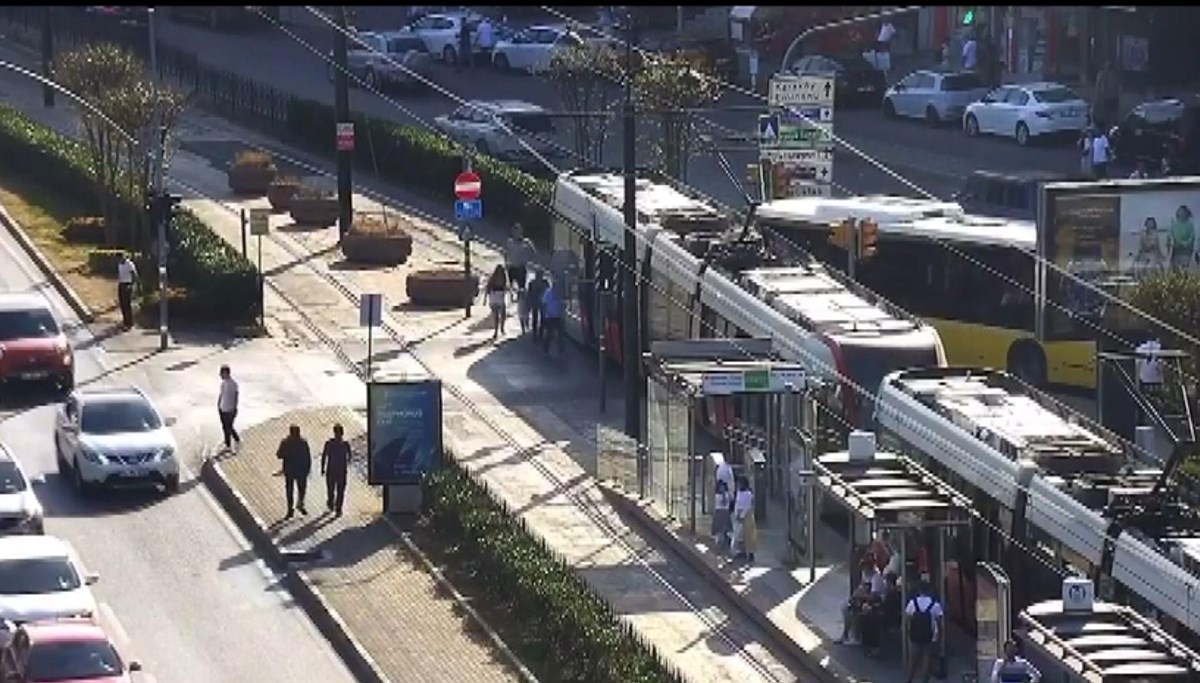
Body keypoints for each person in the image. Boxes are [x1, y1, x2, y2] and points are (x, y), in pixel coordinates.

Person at [903, 580, 943, 683]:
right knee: (927, 659)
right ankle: (924, 681)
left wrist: (908, 632)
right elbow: (939, 623)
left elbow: (907, 620)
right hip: (929, 636)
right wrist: (939, 637)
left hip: (915, 635)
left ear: (919, 590)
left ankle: (908, 680)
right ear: (929, 590)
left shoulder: (912, 603)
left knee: (912, 660)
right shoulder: (935, 605)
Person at [277, 424, 312, 518]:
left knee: (290, 490)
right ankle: (298, 505)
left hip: (290, 470)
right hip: (299, 470)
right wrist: (308, 468)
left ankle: (291, 509)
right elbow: (307, 457)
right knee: (300, 489)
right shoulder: (302, 442)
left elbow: (279, 455)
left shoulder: (286, 442)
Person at [321, 423, 352, 517]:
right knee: (340, 490)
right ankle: (338, 509)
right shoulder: (345, 444)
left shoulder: (329, 443)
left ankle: (331, 503)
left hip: (331, 470)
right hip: (341, 471)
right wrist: (347, 463)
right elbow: (350, 456)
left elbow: (324, 456)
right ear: (342, 433)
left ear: (334, 432)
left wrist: (322, 468)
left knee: (331, 489)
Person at [504, 223, 535, 302]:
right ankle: (511, 299)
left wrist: (528, 259)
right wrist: (506, 262)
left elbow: (533, 252)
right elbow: (506, 253)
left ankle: (520, 300)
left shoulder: (526, 242)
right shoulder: (509, 242)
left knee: (521, 287)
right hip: (512, 267)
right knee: (510, 285)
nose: (516, 233)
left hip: (521, 267)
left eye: (518, 231)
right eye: (514, 231)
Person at [731, 477, 757, 562]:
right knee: (739, 536)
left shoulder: (748, 494)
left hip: (746, 517)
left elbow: (747, 506)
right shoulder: (739, 493)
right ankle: (740, 552)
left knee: (748, 536)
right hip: (739, 516)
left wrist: (741, 515)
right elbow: (737, 504)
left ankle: (750, 554)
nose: (738, 485)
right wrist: (736, 514)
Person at [217, 365, 240, 452]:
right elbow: (221, 394)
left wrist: (234, 408)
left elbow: (236, 396)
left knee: (228, 427)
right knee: (225, 427)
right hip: (222, 408)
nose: (220, 375)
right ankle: (230, 442)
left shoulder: (233, 384)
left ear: (226, 373)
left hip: (230, 409)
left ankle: (233, 442)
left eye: (221, 373)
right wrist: (218, 404)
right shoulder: (223, 384)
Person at [483, 264, 508, 341]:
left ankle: (500, 329)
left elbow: (506, 287)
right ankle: (497, 331)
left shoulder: (503, 278)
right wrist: (485, 299)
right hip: (495, 297)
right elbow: (487, 288)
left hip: (497, 297)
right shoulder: (494, 279)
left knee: (502, 315)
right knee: (497, 316)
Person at [1167, 204, 1196, 271]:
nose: (1181, 214)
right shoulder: (1174, 223)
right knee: (1175, 268)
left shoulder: (1189, 224)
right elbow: (1170, 234)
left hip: (1186, 250)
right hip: (1176, 249)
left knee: (1185, 267)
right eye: (1180, 212)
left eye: (1183, 212)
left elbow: (1192, 237)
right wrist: (1173, 241)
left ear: (1186, 214)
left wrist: (1184, 243)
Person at [541, 277, 565, 354]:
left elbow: (562, 303)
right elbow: (544, 304)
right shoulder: (548, 292)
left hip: (558, 316)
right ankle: (545, 348)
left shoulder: (560, 293)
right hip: (549, 316)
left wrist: (562, 313)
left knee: (560, 334)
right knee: (549, 334)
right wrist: (545, 314)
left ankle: (561, 349)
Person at [1094, 61, 1120, 130]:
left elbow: (1099, 87)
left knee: (1107, 113)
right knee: (1111, 113)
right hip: (1112, 97)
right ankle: (1111, 125)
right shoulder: (1114, 75)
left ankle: (1108, 126)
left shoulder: (1103, 75)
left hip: (1108, 97)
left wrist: (1099, 96)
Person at [116, 252, 139, 329]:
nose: (119, 261)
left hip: (127, 284)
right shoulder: (119, 264)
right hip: (121, 284)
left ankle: (129, 323)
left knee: (127, 304)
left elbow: (134, 274)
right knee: (122, 304)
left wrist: (132, 285)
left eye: (120, 259)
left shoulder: (129, 264)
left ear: (123, 257)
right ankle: (125, 321)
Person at [527, 268, 549, 340]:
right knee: (540, 318)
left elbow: (529, 294)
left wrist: (529, 304)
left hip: (537, 302)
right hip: (541, 302)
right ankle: (539, 333)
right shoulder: (545, 283)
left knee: (536, 318)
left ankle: (536, 334)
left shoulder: (532, 283)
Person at [711, 479, 732, 552]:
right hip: (719, 512)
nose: (721, 489)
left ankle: (724, 545)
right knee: (719, 532)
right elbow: (723, 502)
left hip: (725, 513)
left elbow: (727, 502)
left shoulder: (727, 494)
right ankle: (718, 546)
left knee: (725, 531)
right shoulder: (717, 496)